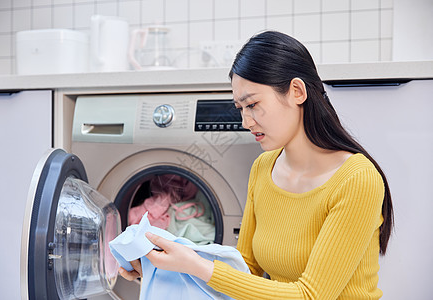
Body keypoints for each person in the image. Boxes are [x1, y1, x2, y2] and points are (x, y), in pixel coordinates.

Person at [119, 31, 394, 299]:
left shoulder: (357, 180)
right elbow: (246, 271)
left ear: (297, 91)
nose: (246, 122)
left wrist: (196, 264)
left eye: (252, 105)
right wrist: (157, 268)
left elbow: (311, 296)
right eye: (240, 108)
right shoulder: (264, 168)